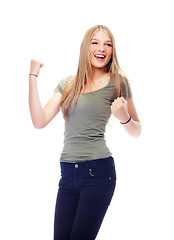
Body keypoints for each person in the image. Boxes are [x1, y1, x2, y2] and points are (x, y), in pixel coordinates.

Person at [29, 25, 141, 240]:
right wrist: (32, 77)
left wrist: (124, 117)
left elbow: (137, 130)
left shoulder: (118, 83)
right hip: (68, 173)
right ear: (84, 47)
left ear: (112, 50)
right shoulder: (68, 84)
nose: (102, 48)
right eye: (95, 42)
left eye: (108, 44)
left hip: (98, 173)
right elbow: (39, 121)